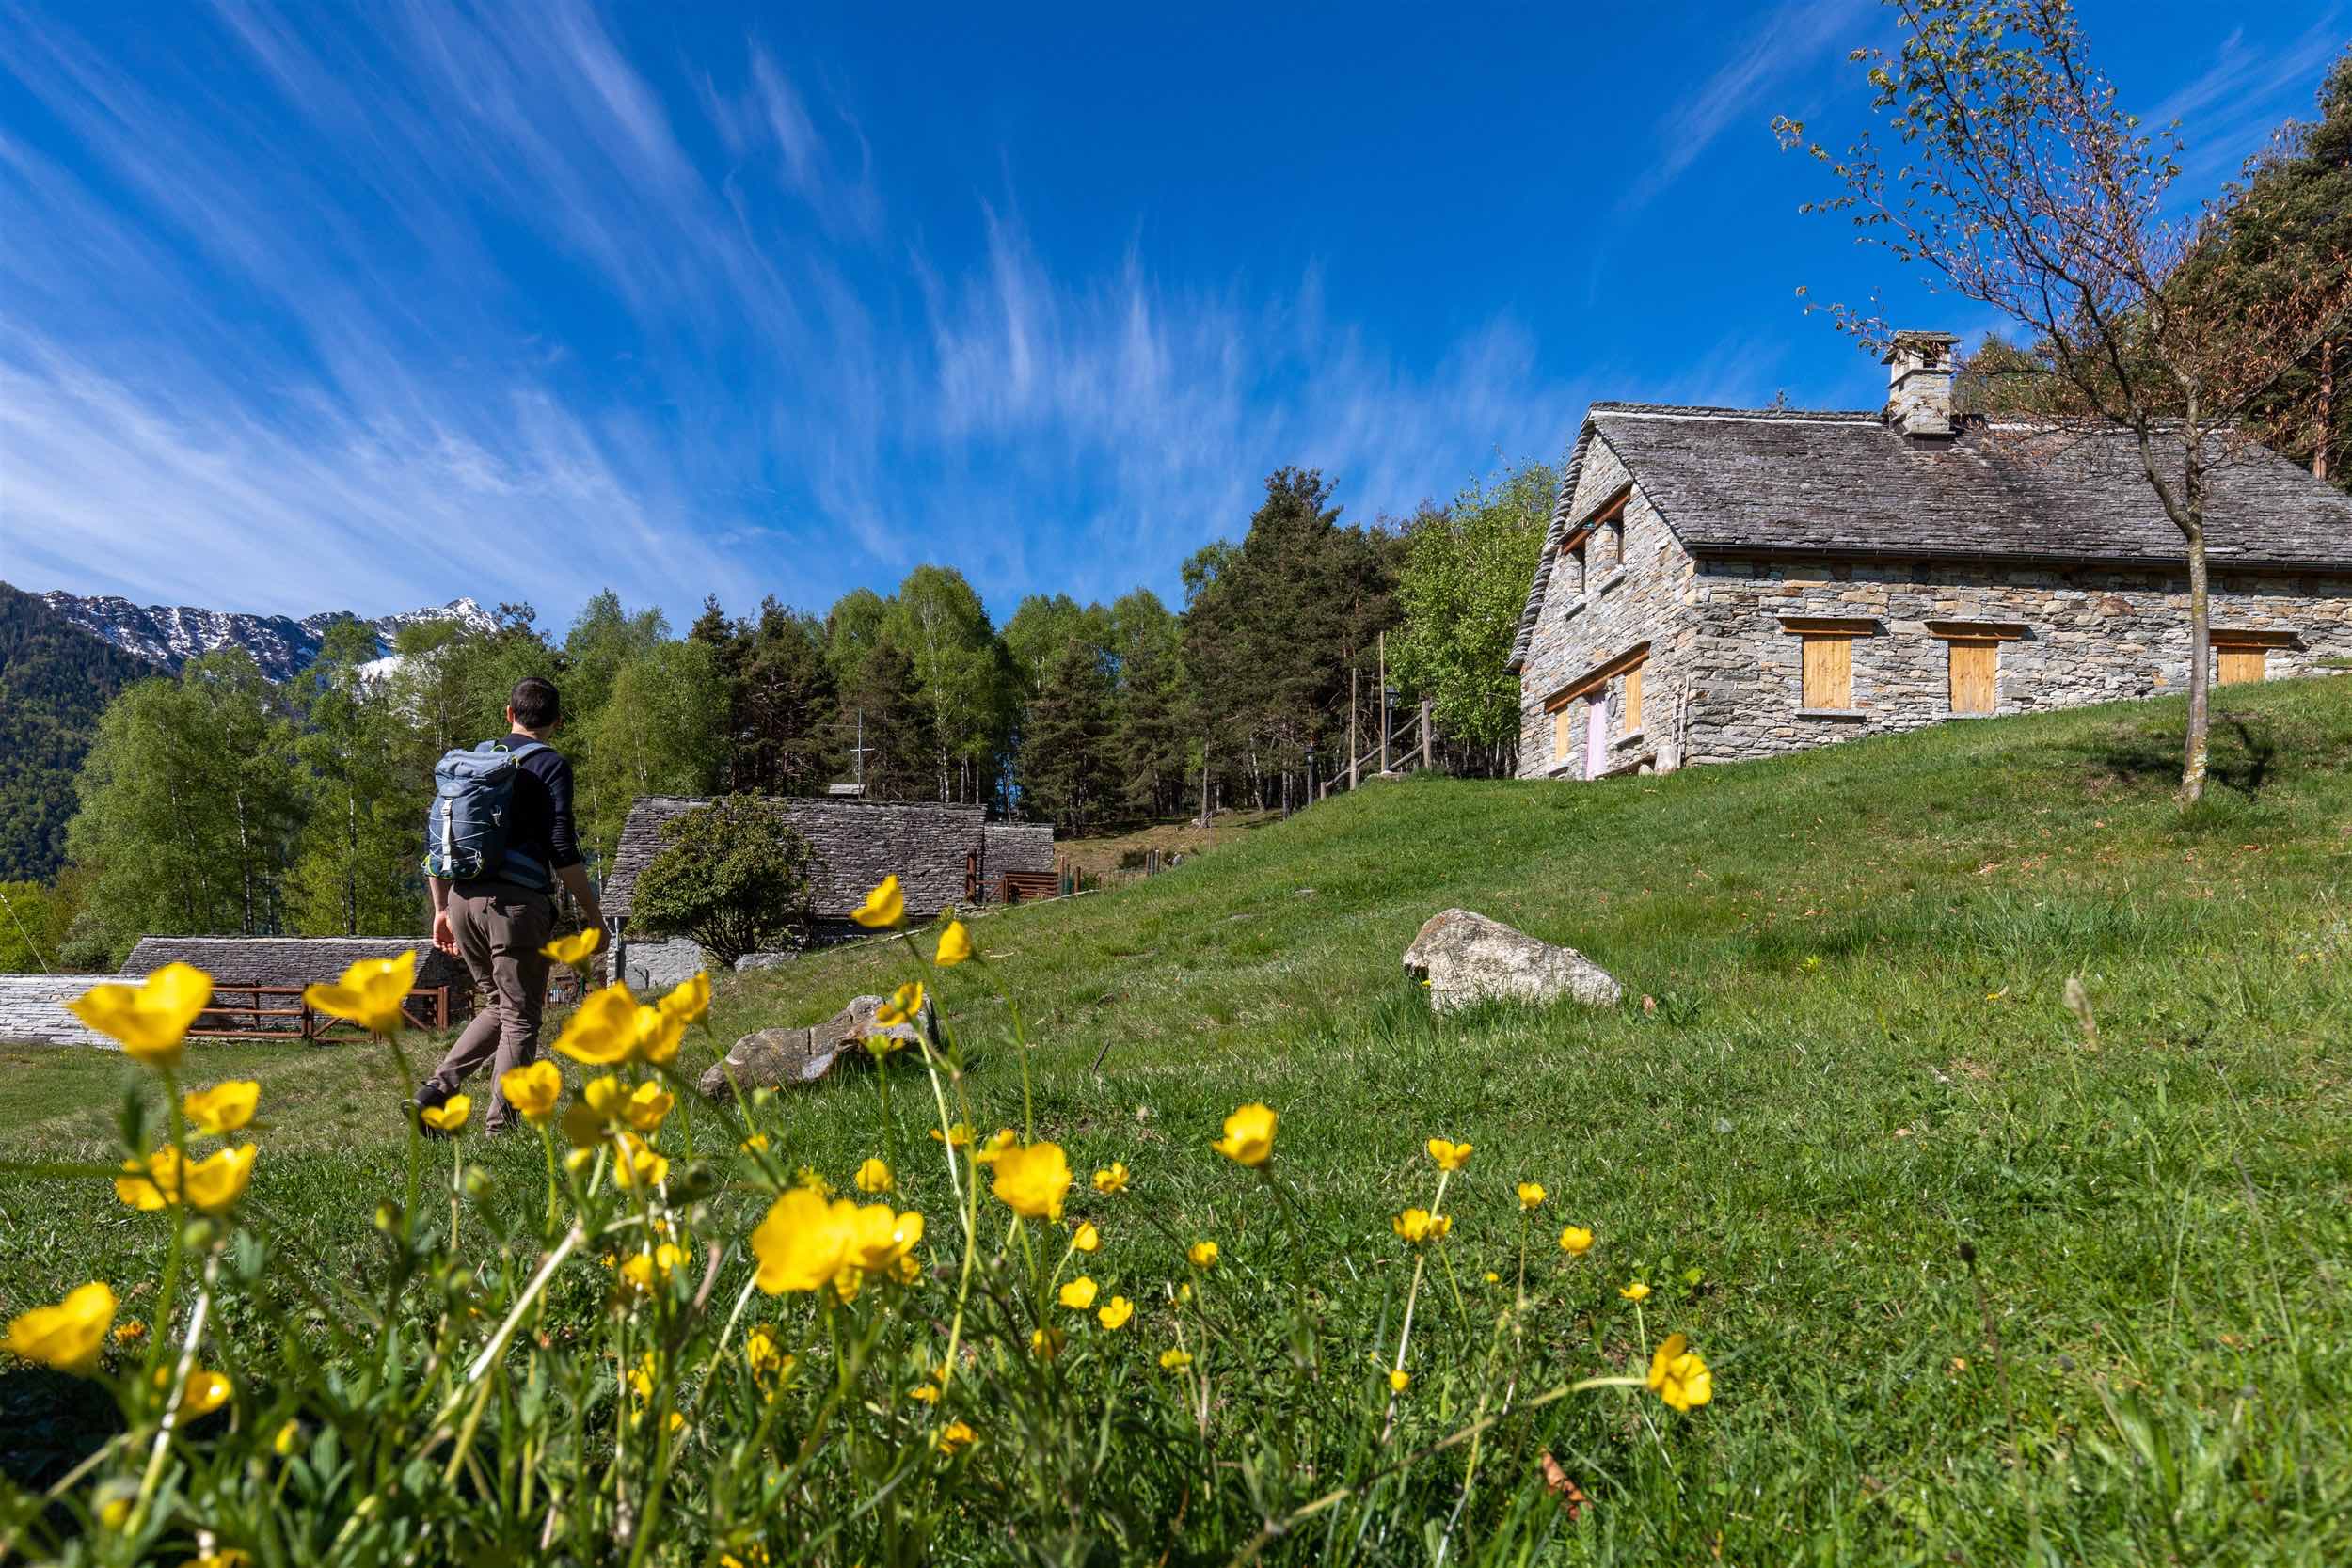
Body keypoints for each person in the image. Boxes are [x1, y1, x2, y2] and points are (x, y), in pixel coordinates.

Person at [417, 675, 604, 1133]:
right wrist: (593, 914)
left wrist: (441, 910)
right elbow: (562, 846)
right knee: (521, 1014)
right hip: (515, 907)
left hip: (461, 900)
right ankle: (503, 1127)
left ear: (509, 714)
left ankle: (435, 1093)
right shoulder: (551, 765)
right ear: (557, 722)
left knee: (498, 1004)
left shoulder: (475, 761)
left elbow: (439, 843)